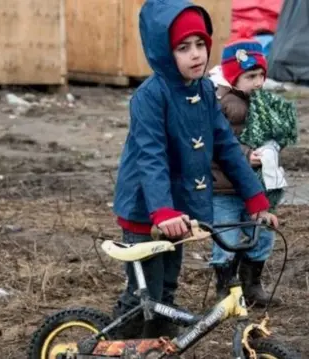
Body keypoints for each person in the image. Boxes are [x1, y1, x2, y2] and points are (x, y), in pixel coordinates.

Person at [111, 0, 279, 339]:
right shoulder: (150, 96)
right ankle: (118, 343)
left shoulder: (204, 91)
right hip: (148, 209)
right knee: (145, 293)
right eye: (183, 47)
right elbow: (151, 155)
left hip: (178, 211)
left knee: (168, 286)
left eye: (200, 44)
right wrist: (162, 209)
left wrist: (256, 198)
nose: (196, 55)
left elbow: (227, 149)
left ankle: (157, 342)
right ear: (163, 52)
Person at [210, 32, 298, 307]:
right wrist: (246, 155)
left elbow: (267, 135)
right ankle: (224, 288)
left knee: (261, 234)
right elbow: (216, 144)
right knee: (225, 238)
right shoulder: (220, 104)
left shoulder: (261, 105)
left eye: (261, 75)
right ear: (232, 76)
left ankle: (252, 285)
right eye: (251, 77)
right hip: (223, 188)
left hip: (255, 189)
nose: (258, 83)